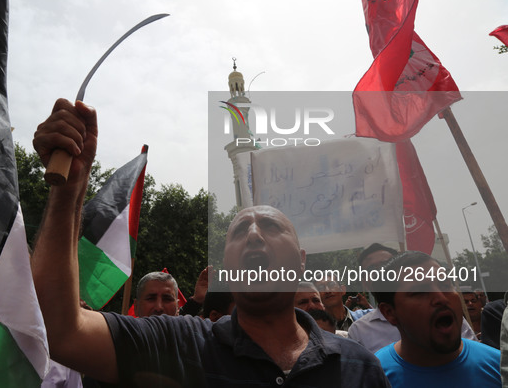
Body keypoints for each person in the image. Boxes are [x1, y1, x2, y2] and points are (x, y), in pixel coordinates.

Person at [31, 99, 391, 387]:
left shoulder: (358, 366)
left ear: (300, 262)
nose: (253, 235)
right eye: (238, 232)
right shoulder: (177, 345)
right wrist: (70, 188)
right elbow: (60, 331)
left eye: (269, 226)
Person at [373, 251, 501, 387]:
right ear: (389, 313)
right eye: (420, 292)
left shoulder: (499, 366)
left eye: (445, 285)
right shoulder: (372, 376)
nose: (441, 298)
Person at [348, 245, 477, 353]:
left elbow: (471, 352)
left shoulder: (445, 313)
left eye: (387, 264)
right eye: (372, 269)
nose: (441, 299)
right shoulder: (359, 331)